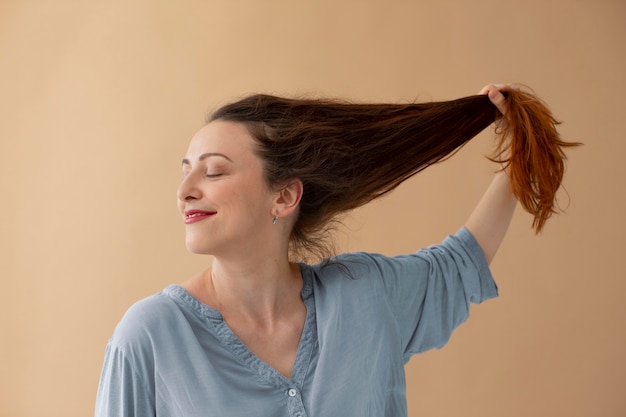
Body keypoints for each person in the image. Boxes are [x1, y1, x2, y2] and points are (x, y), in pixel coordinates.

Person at [94, 84, 576, 416]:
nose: (185, 191)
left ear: (284, 196)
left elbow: (459, 263)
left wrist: (522, 151)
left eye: (213, 171)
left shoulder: (362, 297)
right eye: (185, 171)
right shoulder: (149, 338)